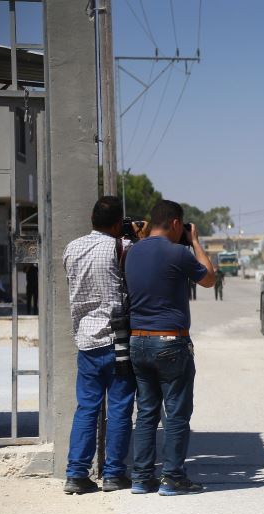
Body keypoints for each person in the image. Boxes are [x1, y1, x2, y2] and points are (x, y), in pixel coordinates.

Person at [125, 200, 215, 496]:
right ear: (176, 224)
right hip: (170, 343)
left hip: (137, 341)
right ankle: (173, 477)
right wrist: (196, 242)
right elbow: (209, 278)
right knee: (176, 413)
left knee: (147, 412)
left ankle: (141, 477)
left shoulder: (131, 251)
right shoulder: (178, 252)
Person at [61, 196, 136, 494]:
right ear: (118, 223)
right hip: (117, 341)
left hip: (86, 340)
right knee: (119, 408)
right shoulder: (123, 248)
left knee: (86, 408)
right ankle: (114, 474)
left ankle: (76, 474)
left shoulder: (72, 248)